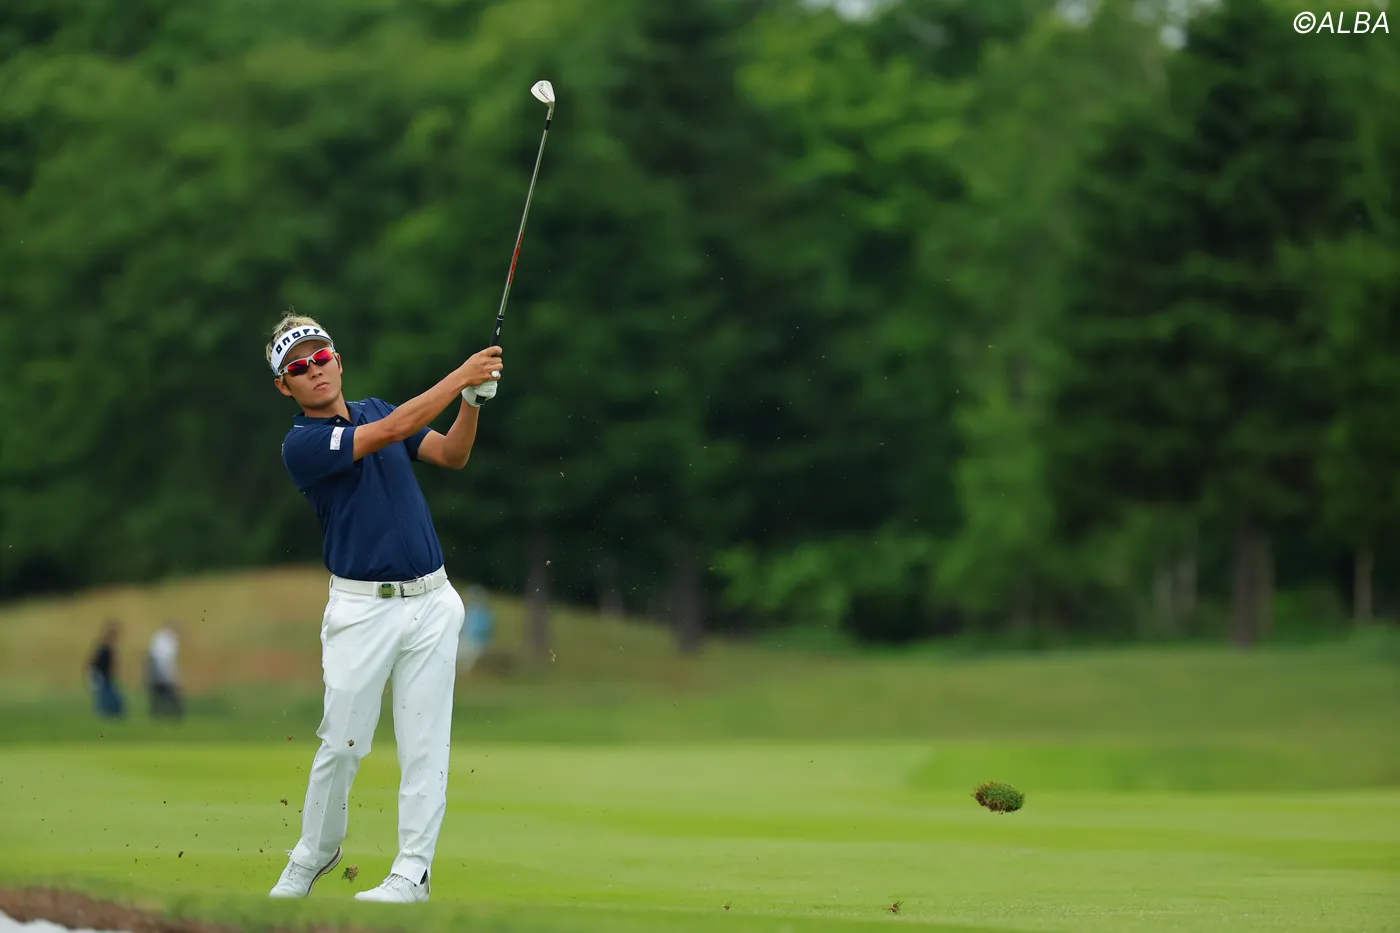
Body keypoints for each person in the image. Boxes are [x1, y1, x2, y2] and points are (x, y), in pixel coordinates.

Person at [264, 314, 502, 904]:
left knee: (425, 746)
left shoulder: (374, 408)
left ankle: (412, 873)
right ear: (284, 386)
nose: (315, 371)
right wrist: (460, 375)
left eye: (321, 357)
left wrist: (472, 401)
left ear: (338, 360)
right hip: (361, 611)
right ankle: (314, 853)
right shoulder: (303, 445)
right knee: (341, 743)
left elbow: (450, 454)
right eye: (299, 367)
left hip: (432, 602)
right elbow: (395, 430)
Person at [87, 620, 126, 719]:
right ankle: (107, 713)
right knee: (105, 695)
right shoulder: (103, 648)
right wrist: (92, 674)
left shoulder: (107, 647)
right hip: (102, 676)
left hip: (106, 676)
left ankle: (111, 712)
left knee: (107, 695)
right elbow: (94, 662)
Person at [146, 623, 184, 720]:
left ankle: (159, 716)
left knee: (159, 698)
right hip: (163, 675)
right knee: (169, 697)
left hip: (156, 674)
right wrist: (173, 677)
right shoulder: (167, 641)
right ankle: (171, 716)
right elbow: (166, 661)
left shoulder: (158, 638)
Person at [457, 586, 495, 672]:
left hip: (476, 643)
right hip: (465, 640)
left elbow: (484, 632)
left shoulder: (485, 614)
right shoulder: (470, 611)